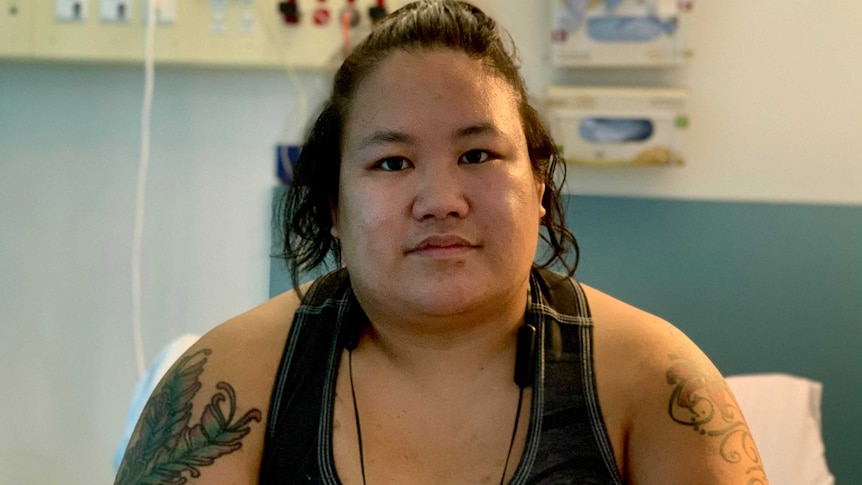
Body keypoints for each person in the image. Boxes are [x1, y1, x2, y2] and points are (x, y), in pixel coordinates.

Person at [115, 1, 769, 484]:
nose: (440, 200)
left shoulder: (655, 382)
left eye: (479, 154)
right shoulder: (231, 380)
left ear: (538, 185)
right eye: (392, 163)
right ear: (335, 205)